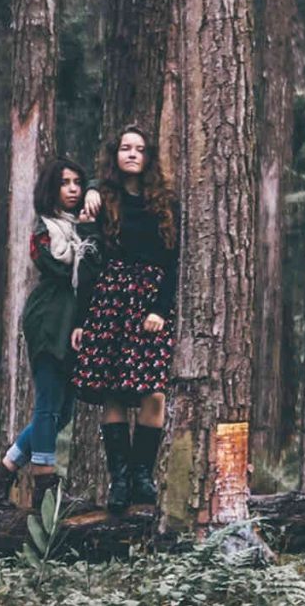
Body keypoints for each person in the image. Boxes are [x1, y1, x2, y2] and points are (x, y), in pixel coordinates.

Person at [0, 156, 97, 509]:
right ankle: (44, 484)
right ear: (51, 189)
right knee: (47, 403)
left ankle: (3, 471)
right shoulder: (45, 231)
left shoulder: (82, 225)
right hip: (48, 319)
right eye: (64, 183)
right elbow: (64, 270)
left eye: (77, 182)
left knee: (65, 412)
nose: (72, 189)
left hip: (74, 322)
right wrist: (87, 238)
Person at [70, 123, 178, 513]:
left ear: (148, 158)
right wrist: (82, 320)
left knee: (154, 391)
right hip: (109, 300)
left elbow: (173, 261)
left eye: (140, 149)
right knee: (112, 390)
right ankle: (119, 481)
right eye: (125, 148)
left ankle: (142, 476)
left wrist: (160, 310)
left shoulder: (165, 202)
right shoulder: (102, 200)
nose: (132, 154)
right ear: (116, 155)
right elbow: (89, 261)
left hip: (149, 300)